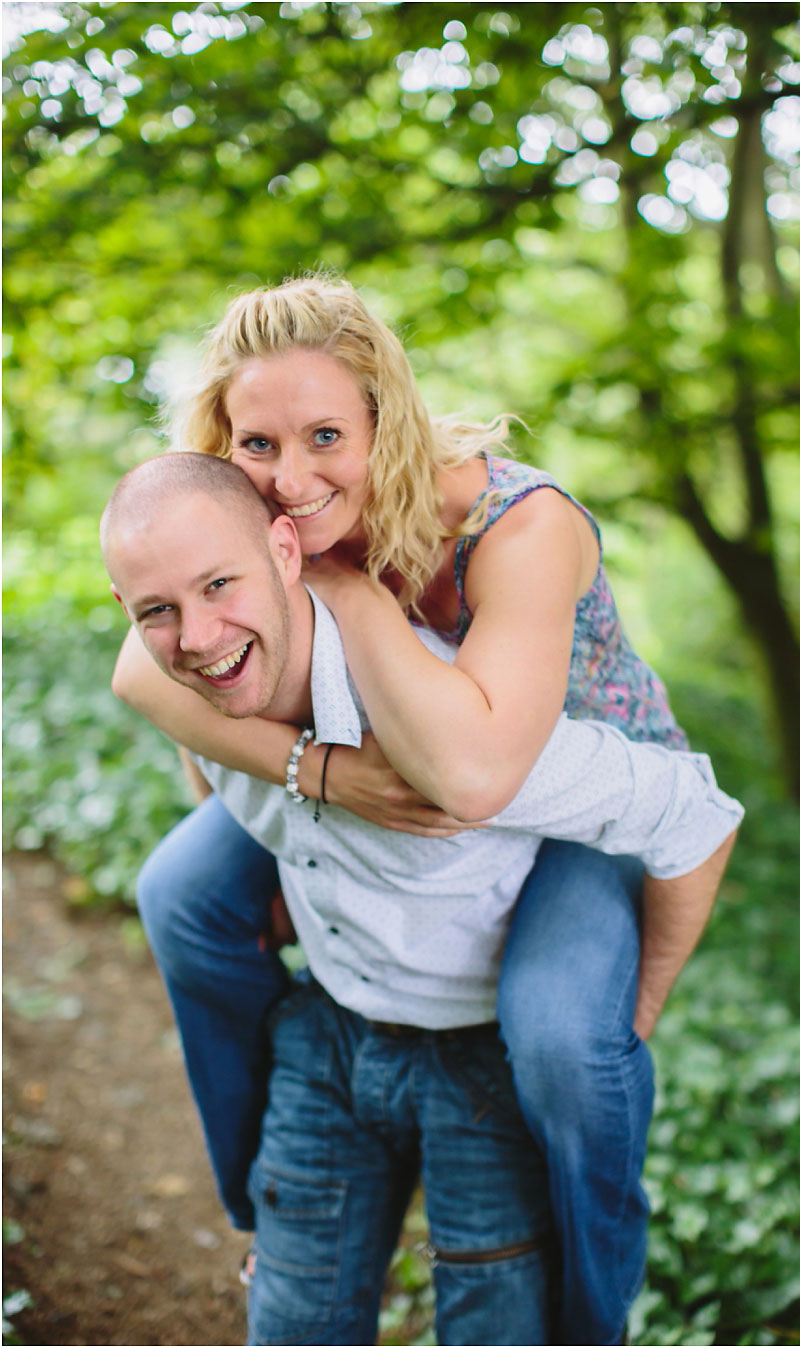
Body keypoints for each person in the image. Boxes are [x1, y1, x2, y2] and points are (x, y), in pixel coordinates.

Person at [112, 275, 703, 1343]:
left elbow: (476, 775)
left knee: (565, 1036)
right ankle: (273, 1203)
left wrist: (340, 590)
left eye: (325, 434)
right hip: (383, 771)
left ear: (387, 420)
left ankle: (592, 1308)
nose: (289, 479)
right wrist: (318, 779)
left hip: (568, 803)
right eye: (257, 444)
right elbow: (144, 669)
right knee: (182, 893)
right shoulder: (283, 529)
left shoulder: (522, 528)